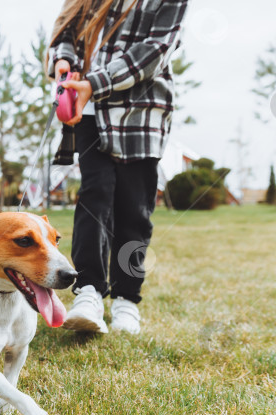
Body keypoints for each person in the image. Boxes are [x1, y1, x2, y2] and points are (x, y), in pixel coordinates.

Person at [48, 0, 188, 334]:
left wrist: (94, 83)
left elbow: (155, 50)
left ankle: (126, 300)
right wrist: (63, 61)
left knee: (134, 210)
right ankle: (89, 291)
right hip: (90, 113)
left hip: (139, 115)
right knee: (94, 196)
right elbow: (68, 33)